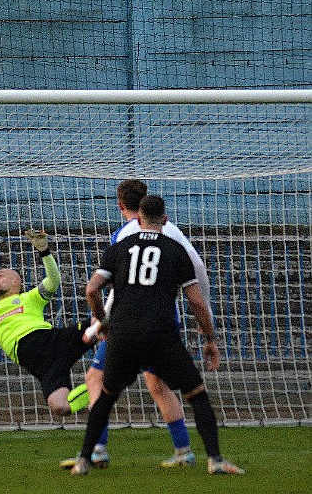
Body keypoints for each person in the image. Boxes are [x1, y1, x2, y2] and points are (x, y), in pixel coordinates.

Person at [69, 195, 243, 476]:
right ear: (165, 219)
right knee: (197, 395)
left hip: (124, 335)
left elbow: (91, 290)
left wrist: (102, 321)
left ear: (138, 219)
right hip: (161, 335)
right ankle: (215, 459)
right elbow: (196, 301)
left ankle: (85, 460)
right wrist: (210, 338)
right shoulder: (175, 250)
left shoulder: (119, 248)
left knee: (106, 397)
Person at [0, 229, 92, 417]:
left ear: (16, 281)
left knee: (98, 324)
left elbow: (53, 280)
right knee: (60, 407)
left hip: (50, 340)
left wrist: (44, 250)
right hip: (38, 363)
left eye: (1, 275)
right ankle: (100, 387)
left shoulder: (29, 298)